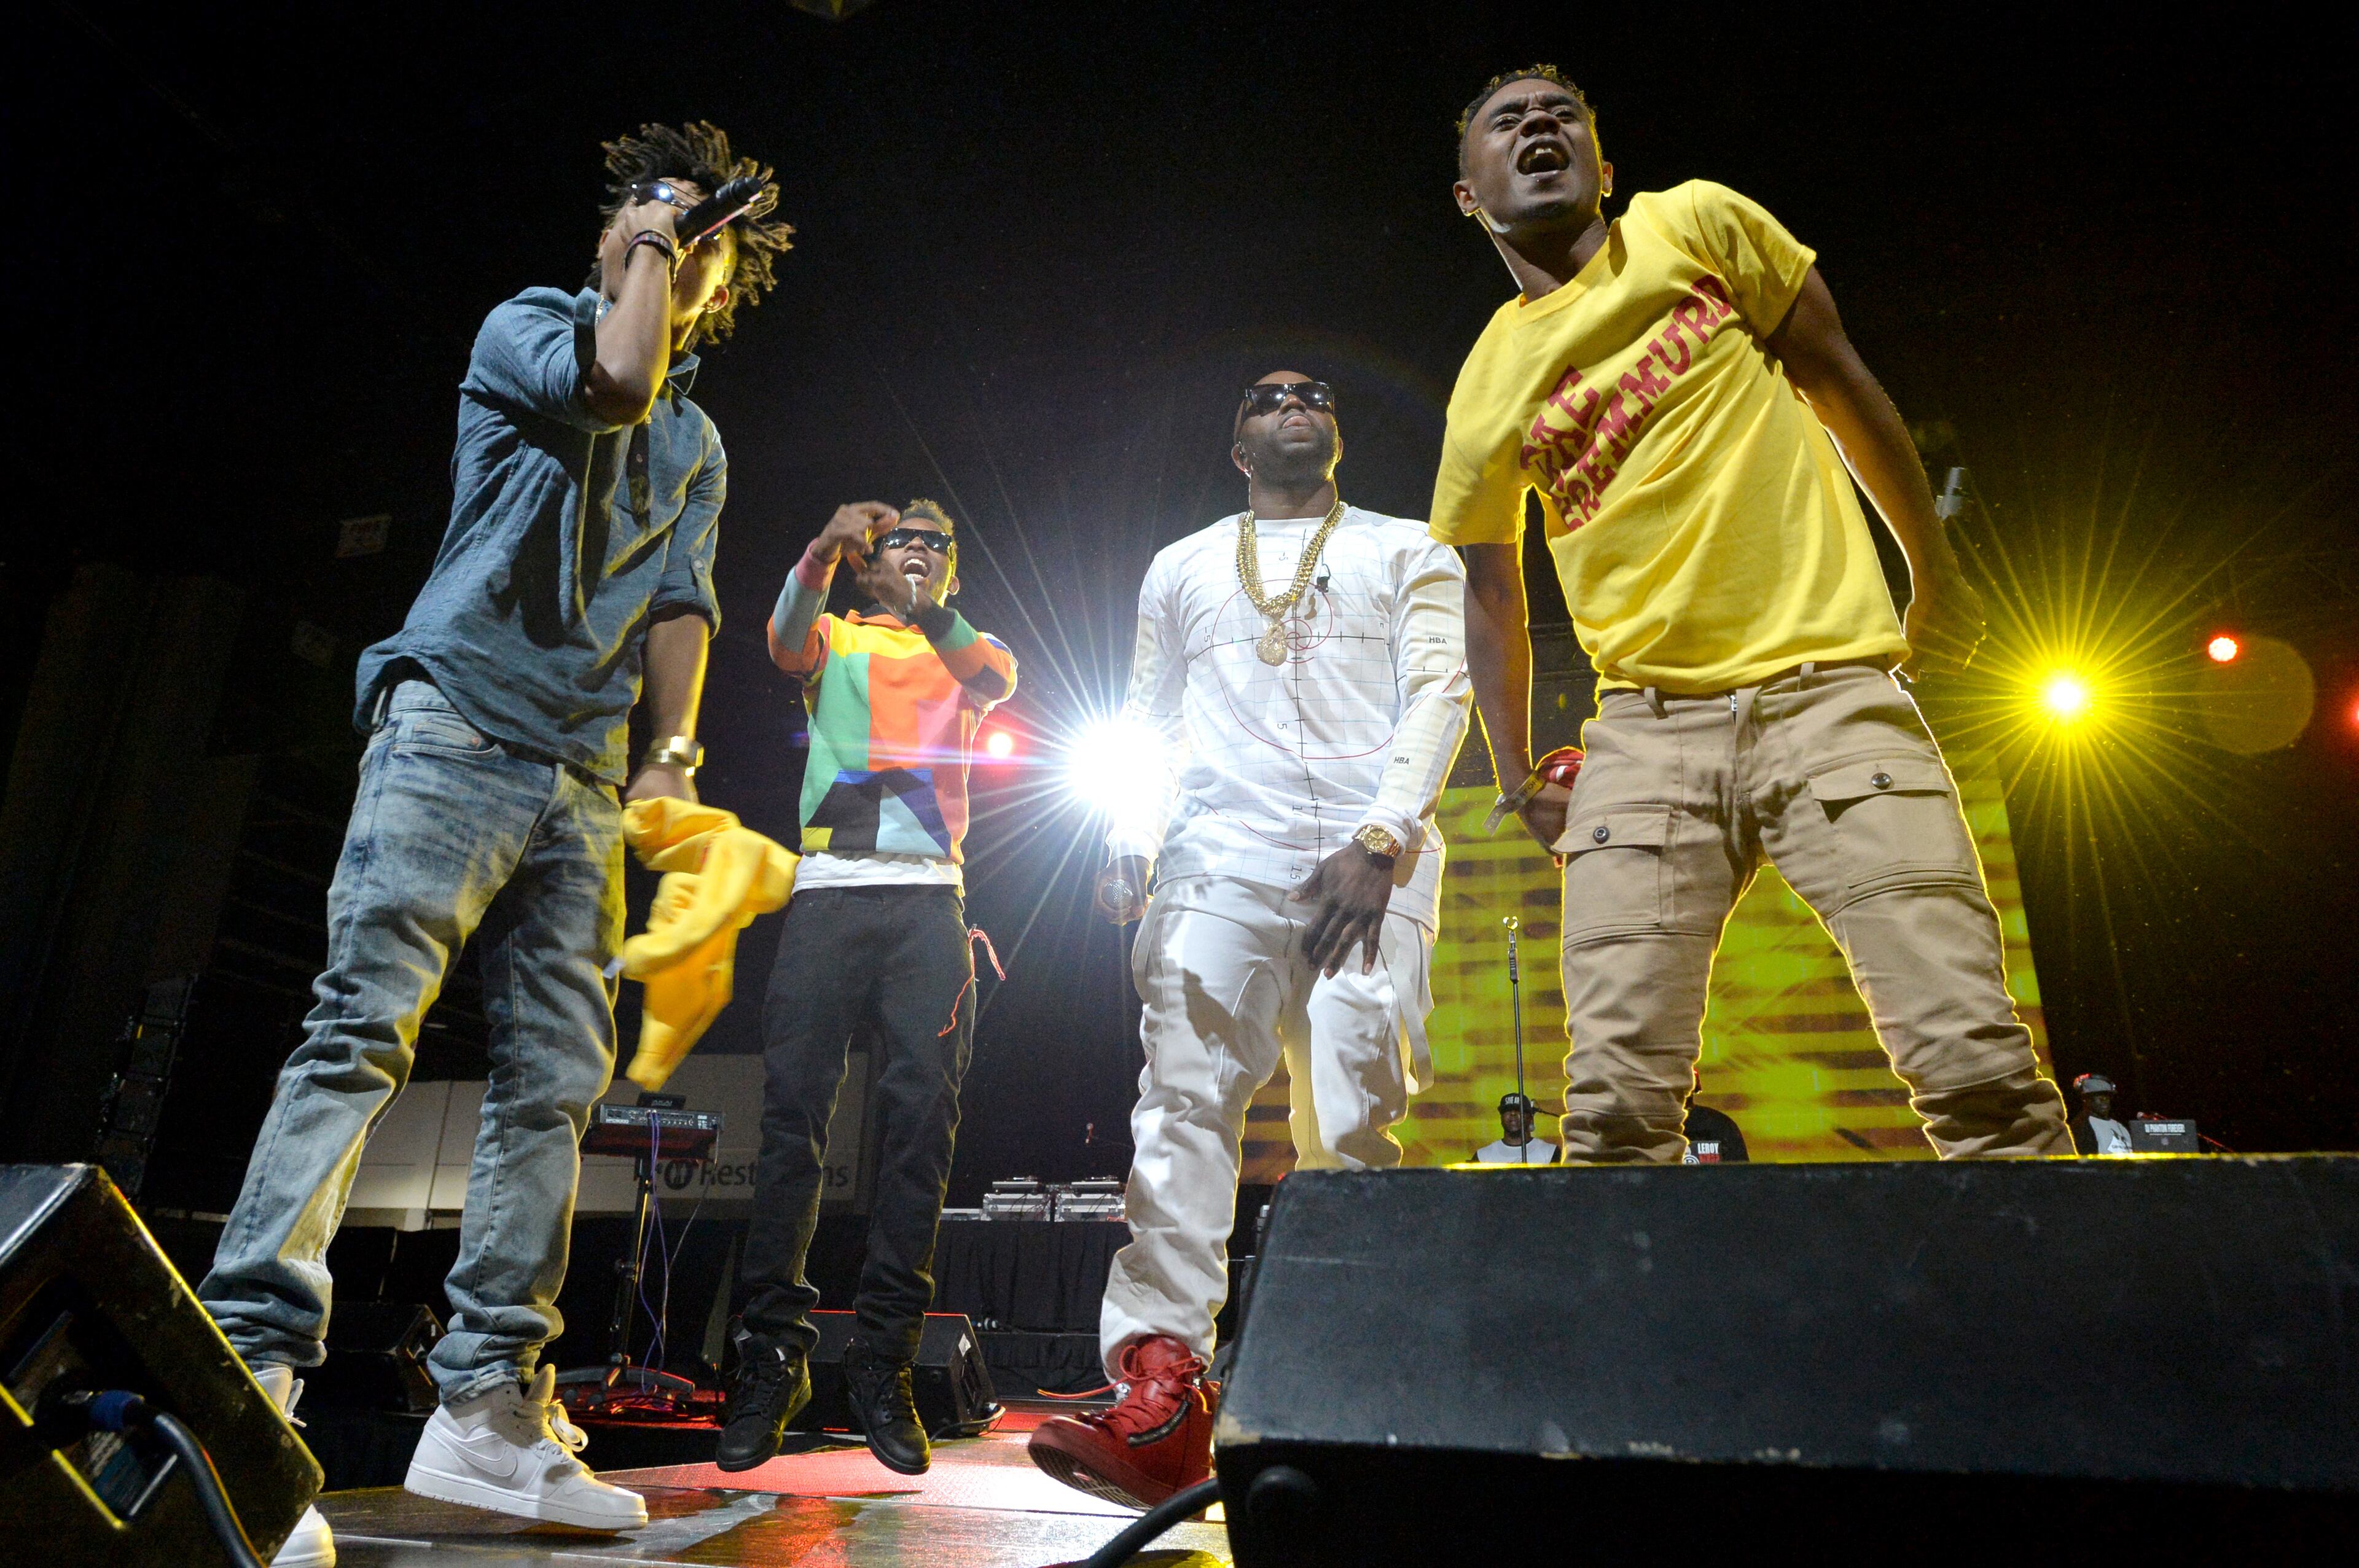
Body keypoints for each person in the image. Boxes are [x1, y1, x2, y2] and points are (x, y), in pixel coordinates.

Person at [197, 122, 792, 1554]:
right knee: (361, 1032)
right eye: (658, 225)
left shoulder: (702, 442)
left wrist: (670, 754)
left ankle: (483, 1407)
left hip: (581, 779)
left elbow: (681, 604)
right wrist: (655, 229)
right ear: (611, 232)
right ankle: (241, 1380)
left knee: (551, 1091)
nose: (681, 251)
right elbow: (617, 377)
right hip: (453, 722)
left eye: (707, 246)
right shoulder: (531, 327)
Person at [1433, 67, 2073, 1165]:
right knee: (1615, 1122)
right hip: (1643, 739)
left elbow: (1841, 382)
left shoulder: (1697, 223)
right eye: (1509, 120)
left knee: (1981, 1076)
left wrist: (1937, 570)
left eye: (1563, 115)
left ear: (1605, 167)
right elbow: (1492, 588)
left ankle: (2079, 1334)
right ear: (1468, 193)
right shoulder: (1488, 379)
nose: (1541, 125)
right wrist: (1510, 774)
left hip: (1830, 694)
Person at [1027, 371, 1473, 1510]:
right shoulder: (1180, 565)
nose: (1294, 404)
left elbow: (1441, 691)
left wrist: (1383, 838)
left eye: (1314, 395)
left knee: (1355, 1124)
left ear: (1336, 435)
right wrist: (1133, 836)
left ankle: (1352, 1393)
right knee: (1179, 1111)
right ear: (1237, 445)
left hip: (1364, 870)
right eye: (1267, 397)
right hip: (1215, 863)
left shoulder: (1408, 545)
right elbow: (1153, 713)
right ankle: (1163, 1394)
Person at [720, 499, 1017, 1476]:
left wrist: (928, 608)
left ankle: (883, 1364)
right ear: (864, 560)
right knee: (792, 1120)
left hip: (931, 904)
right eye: (901, 541)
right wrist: (817, 549)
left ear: (953, 574)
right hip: (828, 896)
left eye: (937, 544)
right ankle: (771, 1358)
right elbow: (779, 639)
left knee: (919, 1129)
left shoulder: (968, 648)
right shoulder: (834, 634)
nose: (920, 551)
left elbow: (994, 676)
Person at [1474, 1092, 1559, 1164]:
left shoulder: (1550, 1153)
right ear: (1501, 1118)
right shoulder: (1482, 1156)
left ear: (1530, 1118)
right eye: (1507, 1110)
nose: (1513, 1114)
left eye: (1519, 1110)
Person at [2071, 1072, 2135, 1156]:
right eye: (2098, 1096)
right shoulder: (2081, 1125)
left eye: (2107, 1096)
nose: (2104, 1100)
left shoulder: (2121, 1127)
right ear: (2086, 1099)